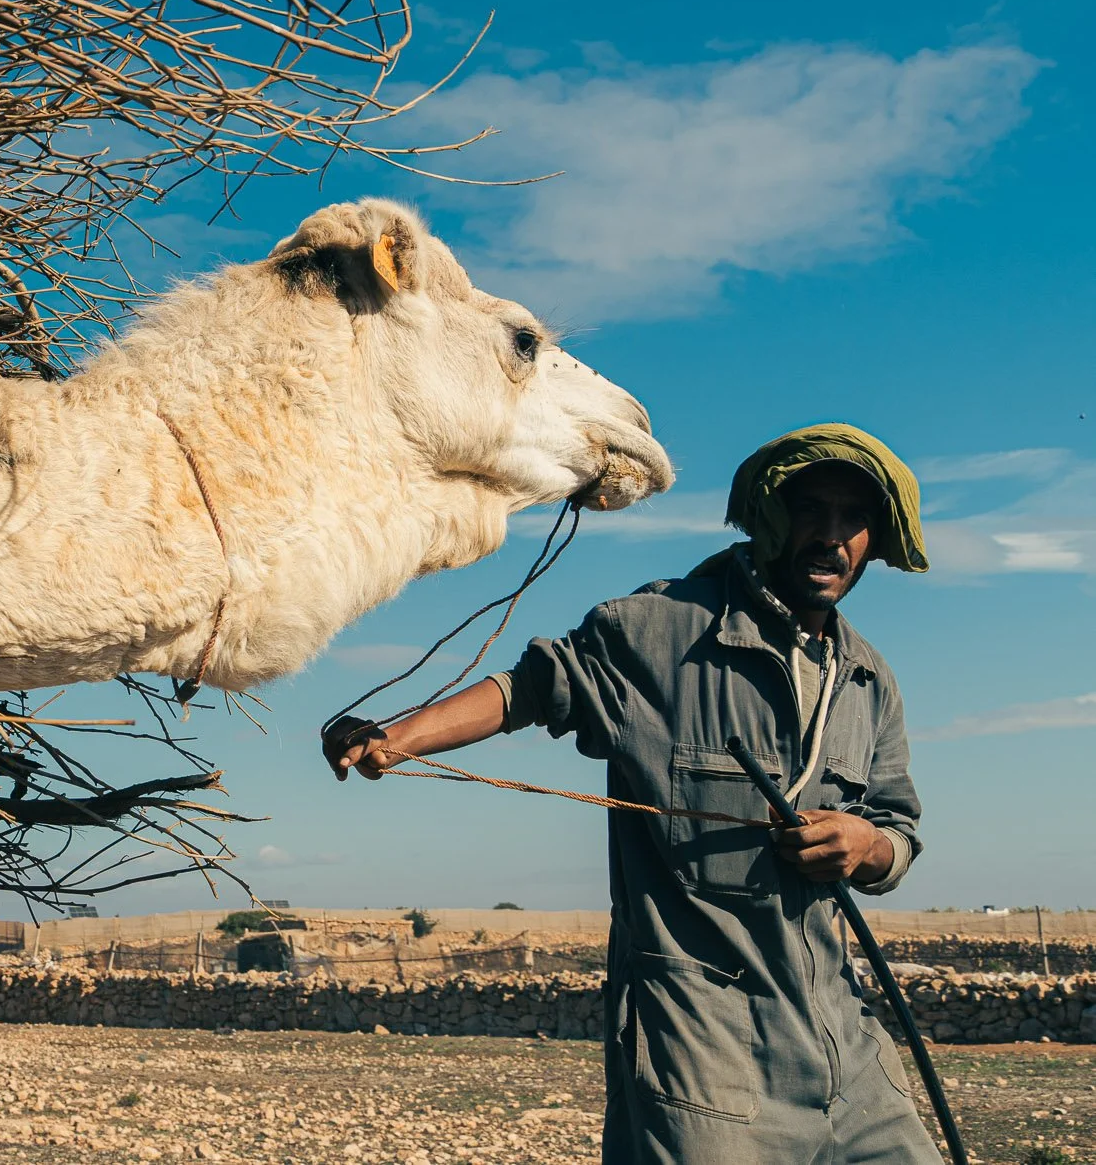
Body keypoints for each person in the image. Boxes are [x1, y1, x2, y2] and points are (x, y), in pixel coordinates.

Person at [324, 425, 935, 1165]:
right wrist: (399, 737)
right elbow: (530, 688)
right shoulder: (660, 631)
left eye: (853, 519)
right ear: (773, 515)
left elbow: (897, 828)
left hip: (847, 1049)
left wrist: (868, 845)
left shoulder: (868, 678)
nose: (831, 537)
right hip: (708, 1057)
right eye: (812, 509)